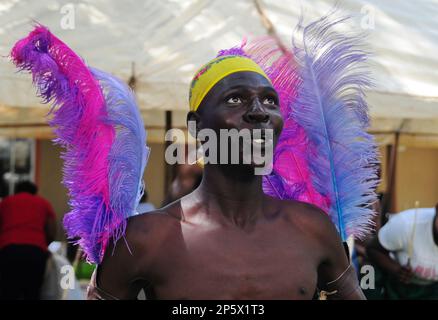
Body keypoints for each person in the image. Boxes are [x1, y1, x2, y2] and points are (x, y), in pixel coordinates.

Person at [87, 55, 365, 300]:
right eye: (235, 99)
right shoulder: (143, 238)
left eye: (270, 100)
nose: (259, 112)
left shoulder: (312, 228)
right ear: (196, 126)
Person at [366, 203, 438, 299]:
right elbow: (372, 248)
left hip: (432, 289)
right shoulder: (406, 224)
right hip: (395, 282)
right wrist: (396, 269)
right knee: (367, 269)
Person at [0, 181, 56, 299]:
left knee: (8, 291)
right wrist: (44, 246)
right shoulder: (44, 203)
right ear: (34, 192)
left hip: (8, 250)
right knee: (32, 292)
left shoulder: (5, 202)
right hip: (35, 252)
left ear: (16, 190)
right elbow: (51, 230)